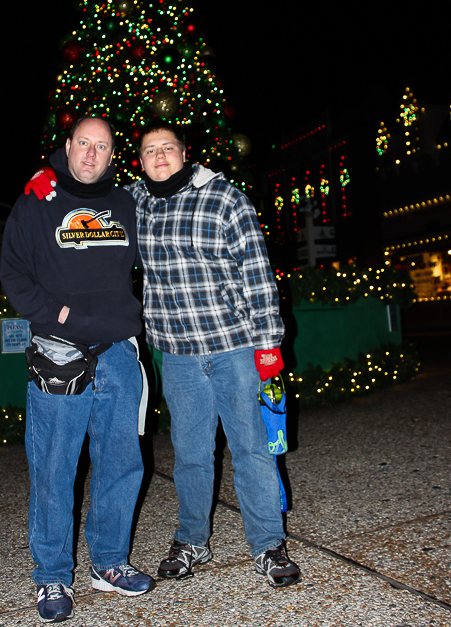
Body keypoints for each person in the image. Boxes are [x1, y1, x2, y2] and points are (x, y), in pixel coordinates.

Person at [26, 119, 301, 590]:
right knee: (192, 454)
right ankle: (192, 540)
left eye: (167, 148)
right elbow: (83, 189)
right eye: (150, 150)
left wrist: (268, 344)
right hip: (176, 352)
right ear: (138, 159)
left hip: (233, 345)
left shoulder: (225, 198)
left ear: (184, 153)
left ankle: (268, 545)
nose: (159, 157)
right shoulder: (133, 201)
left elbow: (258, 273)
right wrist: (48, 175)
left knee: (250, 449)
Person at [1, 116, 155, 624]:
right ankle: (51, 575)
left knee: (121, 463)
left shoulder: (130, 204)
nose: (91, 153)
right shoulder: (34, 202)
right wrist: (59, 315)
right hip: (58, 353)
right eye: (83, 143)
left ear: (113, 156)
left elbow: (172, 190)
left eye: (102, 146)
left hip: (118, 353)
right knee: (53, 468)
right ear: (66, 147)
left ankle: (109, 563)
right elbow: (13, 274)